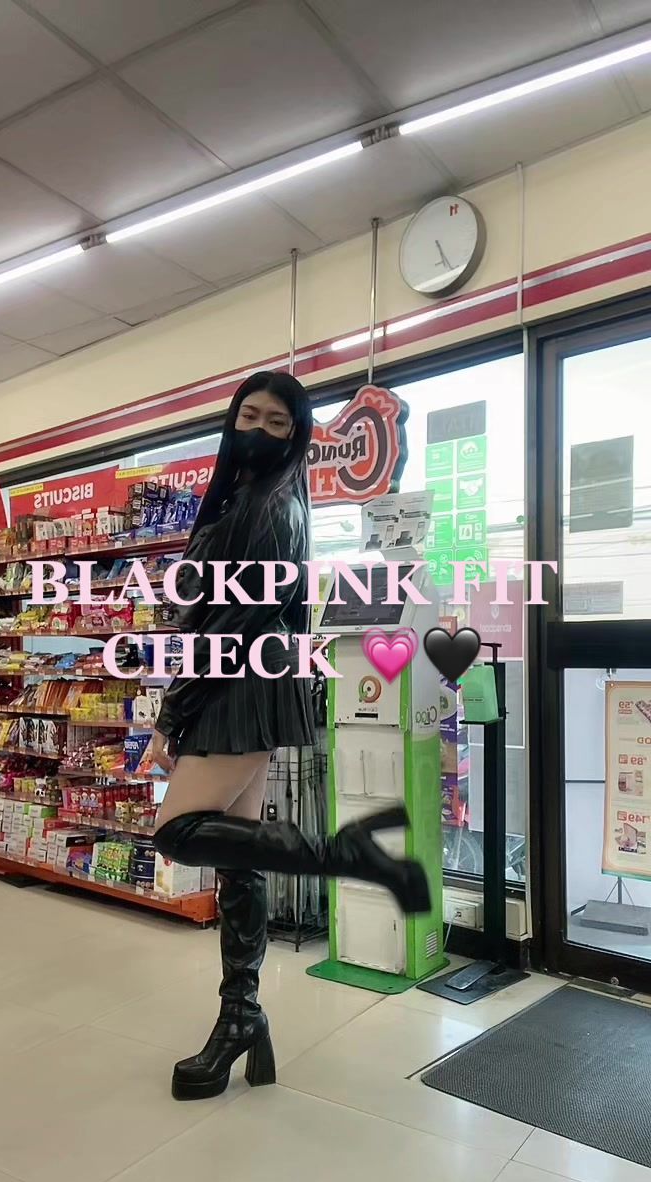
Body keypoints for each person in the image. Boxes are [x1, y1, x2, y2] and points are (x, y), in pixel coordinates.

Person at [152, 370, 430, 1102]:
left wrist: (173, 712)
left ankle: (348, 853)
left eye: (278, 423)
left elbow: (231, 621)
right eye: (250, 415)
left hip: (236, 682)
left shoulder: (270, 505)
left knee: (176, 830)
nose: (260, 430)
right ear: (232, 420)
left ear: (297, 436)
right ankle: (241, 1017)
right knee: (238, 862)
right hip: (247, 678)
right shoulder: (253, 497)